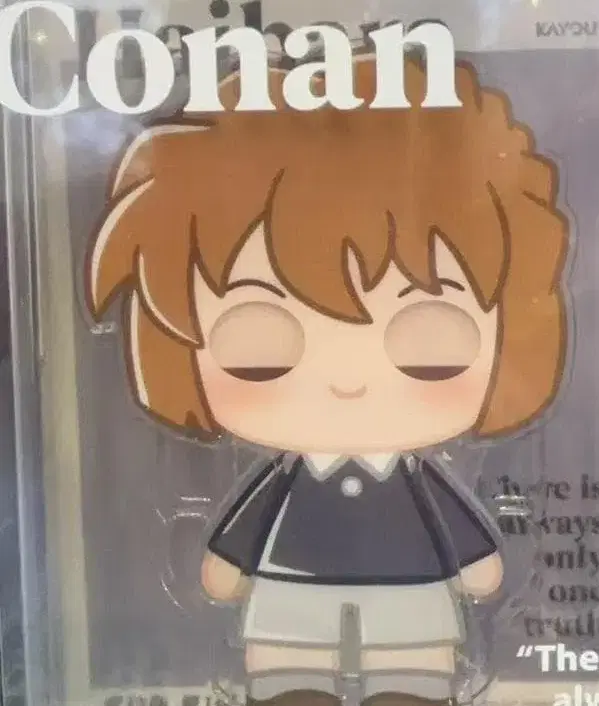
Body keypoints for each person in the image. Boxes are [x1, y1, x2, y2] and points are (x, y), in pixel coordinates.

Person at [86, 56, 569, 706]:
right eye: (260, 354)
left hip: (410, 592)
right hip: (291, 592)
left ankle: (408, 686)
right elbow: (243, 538)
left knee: (411, 666)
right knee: (291, 666)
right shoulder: (285, 481)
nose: (347, 382)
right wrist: (229, 565)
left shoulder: (415, 484)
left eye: (428, 351)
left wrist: (476, 563)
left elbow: (464, 546)